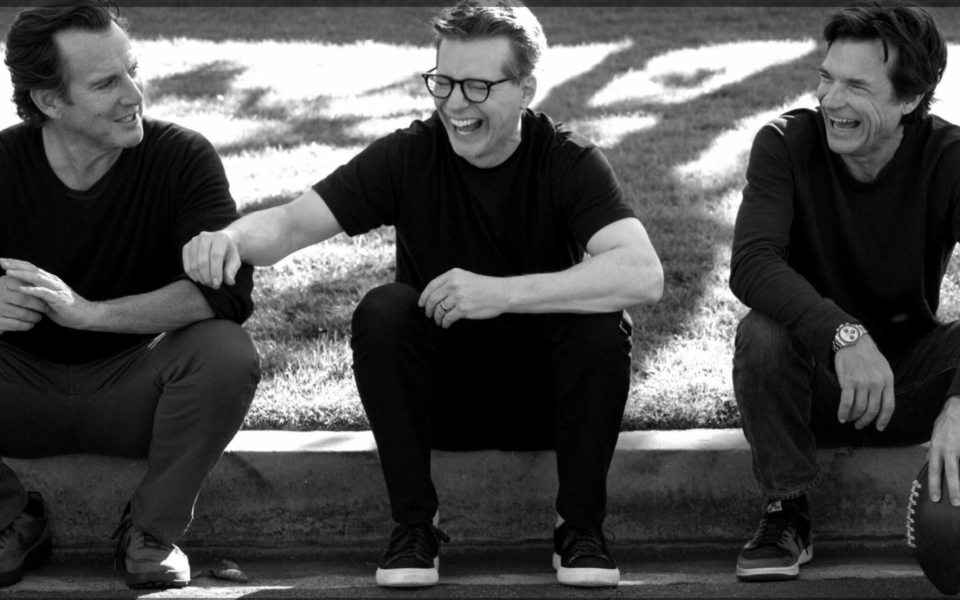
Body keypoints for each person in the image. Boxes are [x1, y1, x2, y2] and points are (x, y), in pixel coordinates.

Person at [183, 0, 662, 588]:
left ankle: (579, 528)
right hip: (441, 401)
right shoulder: (410, 154)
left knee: (600, 321)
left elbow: (643, 273)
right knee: (384, 310)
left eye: (478, 86)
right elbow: (290, 223)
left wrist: (500, 294)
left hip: (549, 403)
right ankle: (415, 528)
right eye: (443, 82)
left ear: (526, 88)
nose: (455, 104)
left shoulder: (568, 161)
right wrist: (229, 238)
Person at [0, 1, 260, 590]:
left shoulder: (182, 157)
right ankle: (10, 518)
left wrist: (90, 315)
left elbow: (230, 296)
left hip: (135, 392)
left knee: (226, 351)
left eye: (133, 70)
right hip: (15, 394)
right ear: (49, 101)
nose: (134, 94)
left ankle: (150, 531)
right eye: (106, 83)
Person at [730, 0, 959, 582]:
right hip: (813, 385)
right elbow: (752, 263)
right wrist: (843, 335)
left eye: (856, 86)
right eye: (826, 78)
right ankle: (787, 510)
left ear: (910, 99)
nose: (831, 100)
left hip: (910, 381)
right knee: (763, 332)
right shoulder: (784, 143)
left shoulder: (951, 158)